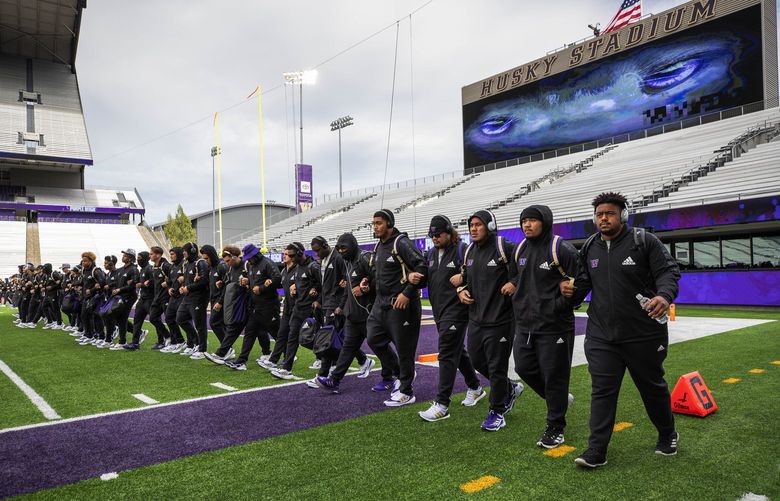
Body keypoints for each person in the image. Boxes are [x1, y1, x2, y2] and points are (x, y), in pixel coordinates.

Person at [560, 192, 681, 468]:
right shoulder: (590, 247)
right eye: (600, 214)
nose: (604, 218)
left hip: (643, 333)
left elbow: (669, 272)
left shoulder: (644, 241)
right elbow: (582, 284)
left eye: (610, 213)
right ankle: (596, 450)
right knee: (602, 390)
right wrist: (570, 291)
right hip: (602, 335)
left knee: (651, 388)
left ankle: (667, 433)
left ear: (623, 216)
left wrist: (664, 296)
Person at [511, 205, 578, 448]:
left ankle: (556, 427)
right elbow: (514, 276)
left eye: (532, 221)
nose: (526, 225)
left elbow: (581, 282)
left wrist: (561, 301)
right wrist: (513, 289)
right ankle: (559, 400)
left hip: (555, 325)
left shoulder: (560, 248)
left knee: (555, 377)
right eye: (524, 221)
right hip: (525, 324)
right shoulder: (519, 249)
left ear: (545, 222)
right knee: (523, 368)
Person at [456, 209, 523, 431]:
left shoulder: (505, 247)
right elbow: (465, 278)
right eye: (471, 225)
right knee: (476, 361)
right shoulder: (469, 252)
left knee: (496, 368)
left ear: (490, 226)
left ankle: (497, 411)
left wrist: (514, 282)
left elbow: (525, 269)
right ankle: (508, 388)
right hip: (476, 318)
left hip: (501, 319)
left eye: (478, 224)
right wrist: (461, 289)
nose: (474, 229)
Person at [418, 215, 485, 422]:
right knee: (457, 351)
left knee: (446, 352)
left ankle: (442, 403)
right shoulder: (430, 253)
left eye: (438, 234)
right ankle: (476, 387)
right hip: (439, 311)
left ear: (449, 232)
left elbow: (479, 273)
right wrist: (416, 279)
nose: (435, 238)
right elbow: (427, 280)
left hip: (457, 310)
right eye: (432, 235)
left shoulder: (463, 250)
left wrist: (463, 280)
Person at [366, 209, 427, 407]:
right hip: (381, 304)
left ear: (389, 224)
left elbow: (422, 267)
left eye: (379, 223)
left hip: (401, 305)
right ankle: (400, 373)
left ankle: (407, 391)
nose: (375, 227)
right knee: (374, 338)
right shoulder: (378, 246)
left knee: (405, 349)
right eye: (373, 223)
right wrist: (368, 282)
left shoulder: (401, 243)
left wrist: (407, 293)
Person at [314, 232, 377, 393]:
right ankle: (334, 380)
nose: (341, 251)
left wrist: (367, 286)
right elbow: (348, 288)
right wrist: (344, 306)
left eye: (344, 247)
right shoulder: (346, 261)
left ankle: (397, 375)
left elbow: (379, 279)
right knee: (348, 347)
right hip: (352, 313)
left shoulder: (365, 258)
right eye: (339, 248)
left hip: (367, 312)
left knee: (378, 345)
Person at [223, 244, 281, 371]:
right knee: (249, 332)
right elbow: (253, 280)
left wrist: (262, 288)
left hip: (269, 305)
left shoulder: (267, 263)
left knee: (277, 332)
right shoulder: (250, 265)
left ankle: (288, 356)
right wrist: (247, 281)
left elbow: (277, 279)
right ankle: (241, 361)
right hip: (255, 305)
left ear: (255, 255)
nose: (248, 260)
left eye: (250, 257)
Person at [270, 242, 320, 380]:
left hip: (311, 309)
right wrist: (294, 287)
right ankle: (287, 369)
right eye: (288, 255)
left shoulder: (313, 266)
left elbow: (324, 285)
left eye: (292, 255)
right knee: (292, 337)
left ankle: (328, 356)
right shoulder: (297, 267)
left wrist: (317, 295)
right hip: (298, 307)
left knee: (308, 339)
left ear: (300, 253)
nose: (290, 258)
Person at [258, 244, 298, 370]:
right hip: (287, 307)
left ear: (292, 256)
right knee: (281, 334)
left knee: (302, 338)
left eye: (286, 254)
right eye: (284, 253)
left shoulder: (298, 269)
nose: (284, 255)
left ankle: (325, 357)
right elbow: (281, 284)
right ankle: (273, 360)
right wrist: (271, 282)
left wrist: (297, 286)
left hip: (298, 308)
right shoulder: (284, 270)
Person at [204, 246, 246, 365]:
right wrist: (222, 283)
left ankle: (272, 353)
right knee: (243, 330)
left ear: (235, 257)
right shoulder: (230, 269)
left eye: (228, 261)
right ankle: (226, 354)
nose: (227, 263)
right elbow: (228, 285)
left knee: (259, 330)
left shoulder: (246, 267)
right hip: (237, 304)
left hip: (246, 304)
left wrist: (220, 302)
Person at [177, 242, 210, 359]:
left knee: (200, 324)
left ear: (191, 250)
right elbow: (188, 280)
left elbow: (204, 282)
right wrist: (183, 286)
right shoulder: (186, 264)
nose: (183, 253)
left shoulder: (200, 263)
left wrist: (188, 288)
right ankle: (192, 343)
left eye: (185, 250)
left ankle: (202, 349)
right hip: (187, 298)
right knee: (180, 319)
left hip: (199, 298)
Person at [109, 249, 139, 349]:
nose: (123, 257)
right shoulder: (122, 269)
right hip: (121, 296)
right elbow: (118, 282)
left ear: (130, 258)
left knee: (121, 318)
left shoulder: (133, 269)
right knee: (120, 318)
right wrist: (112, 287)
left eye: (125, 255)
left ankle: (122, 341)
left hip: (129, 297)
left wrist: (120, 289)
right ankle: (122, 341)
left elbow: (133, 284)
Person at [125, 251, 153, 350]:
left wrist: (144, 284)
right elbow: (139, 282)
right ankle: (135, 343)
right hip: (142, 299)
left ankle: (165, 340)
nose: (138, 259)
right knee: (137, 320)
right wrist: (133, 282)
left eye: (140, 257)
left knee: (155, 320)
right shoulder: (142, 270)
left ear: (145, 258)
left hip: (150, 299)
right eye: (137, 257)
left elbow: (153, 282)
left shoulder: (150, 269)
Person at [200, 245, 228, 345]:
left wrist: (220, 302)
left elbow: (227, 285)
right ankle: (227, 348)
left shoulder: (221, 266)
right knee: (220, 324)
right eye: (204, 259)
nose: (206, 261)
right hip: (213, 299)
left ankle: (226, 348)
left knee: (214, 323)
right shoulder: (210, 268)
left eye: (207, 258)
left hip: (220, 300)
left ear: (212, 255)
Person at [160, 247, 186, 353]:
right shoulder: (172, 267)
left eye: (173, 254)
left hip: (183, 296)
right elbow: (170, 281)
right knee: (169, 318)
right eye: (170, 254)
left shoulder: (184, 265)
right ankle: (178, 342)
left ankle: (194, 342)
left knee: (182, 319)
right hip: (173, 296)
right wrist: (169, 288)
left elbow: (191, 276)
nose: (171, 256)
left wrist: (184, 280)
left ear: (179, 254)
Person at [148, 246, 172, 350]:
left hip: (166, 297)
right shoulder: (154, 266)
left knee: (170, 319)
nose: (150, 256)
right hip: (157, 297)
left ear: (158, 255)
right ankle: (167, 336)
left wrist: (167, 283)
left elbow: (175, 277)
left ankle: (176, 341)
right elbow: (157, 280)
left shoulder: (165, 265)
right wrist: (150, 282)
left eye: (151, 254)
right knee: (153, 318)